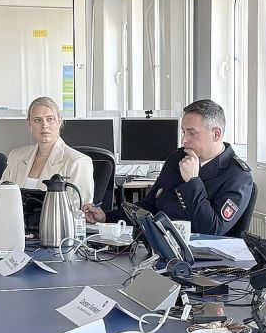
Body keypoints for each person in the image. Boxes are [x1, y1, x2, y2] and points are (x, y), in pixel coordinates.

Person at [84, 99, 253, 236]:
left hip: (202, 259)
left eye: (192, 133)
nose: (184, 140)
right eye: (183, 132)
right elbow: (149, 206)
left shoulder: (238, 176)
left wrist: (192, 182)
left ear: (216, 134)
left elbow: (211, 230)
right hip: (162, 245)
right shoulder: (177, 158)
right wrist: (107, 216)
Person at [0, 96, 94, 214]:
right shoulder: (17, 156)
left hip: (54, 235)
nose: (44, 125)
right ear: (29, 124)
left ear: (59, 121)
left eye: (50, 119)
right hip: (16, 232)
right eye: (38, 120)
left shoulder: (77, 162)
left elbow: (79, 212)